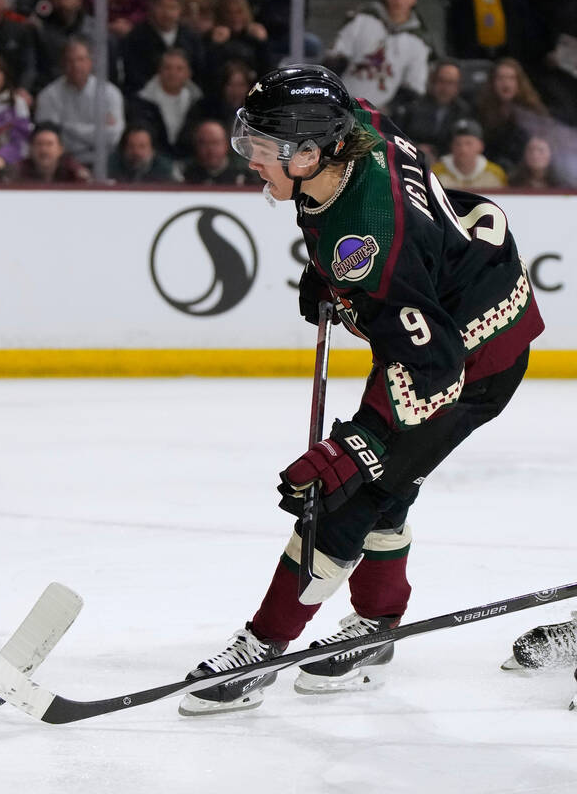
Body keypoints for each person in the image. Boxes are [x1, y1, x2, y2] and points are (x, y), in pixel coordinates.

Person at [180, 64, 543, 715]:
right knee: (387, 478)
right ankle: (377, 626)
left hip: (470, 356)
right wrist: (334, 276)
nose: (251, 158)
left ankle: (263, 648)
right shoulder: (357, 127)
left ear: (310, 153)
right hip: (450, 295)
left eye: (263, 148)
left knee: (348, 491)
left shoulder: (376, 238)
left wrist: (359, 445)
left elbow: (435, 369)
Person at [324, 0, 432, 112]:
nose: (398, 0)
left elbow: (414, 88)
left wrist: (388, 109)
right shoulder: (360, 20)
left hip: (382, 115)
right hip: (342, 104)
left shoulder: (418, 41)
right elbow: (334, 60)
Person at [34, 37, 124, 167]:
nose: (76, 66)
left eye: (81, 60)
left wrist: (67, 128)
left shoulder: (110, 93)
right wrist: (97, 132)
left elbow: (113, 137)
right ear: (62, 64)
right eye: (70, 61)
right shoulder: (48, 96)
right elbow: (49, 140)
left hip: (105, 162)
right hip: (63, 164)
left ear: (90, 62)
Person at [391, 59, 473, 165]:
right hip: (410, 159)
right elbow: (395, 136)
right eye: (441, 81)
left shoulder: (465, 112)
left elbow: (465, 143)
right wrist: (415, 148)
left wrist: (437, 152)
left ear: (458, 87)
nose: (445, 88)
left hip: (449, 164)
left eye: (451, 83)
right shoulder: (412, 106)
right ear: (432, 82)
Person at [429, 118, 507, 189]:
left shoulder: (496, 174)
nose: (463, 149)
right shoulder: (435, 173)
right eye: (458, 144)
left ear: (481, 146)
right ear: (451, 146)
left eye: (469, 143)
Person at [13, 121, 91, 182]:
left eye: (49, 144)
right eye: (39, 144)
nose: (44, 150)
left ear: (61, 149)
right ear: (31, 149)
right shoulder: (18, 172)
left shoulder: (73, 173)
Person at [107, 123, 178, 182]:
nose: (136, 152)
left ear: (152, 149)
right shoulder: (112, 166)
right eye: (131, 146)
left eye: (142, 146)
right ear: (124, 148)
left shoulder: (165, 170)